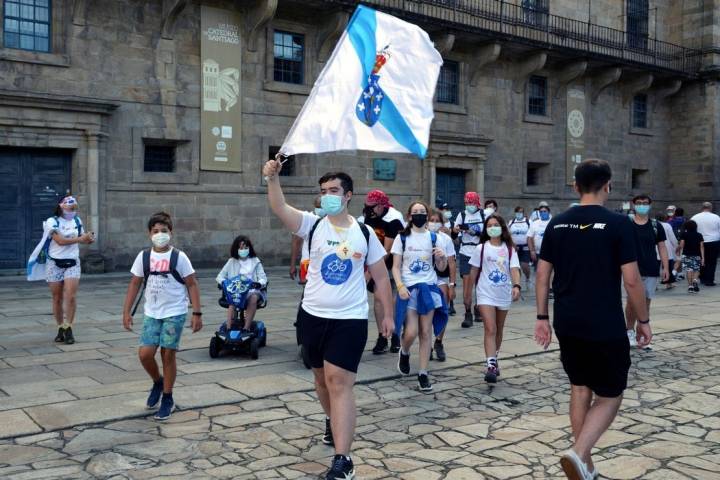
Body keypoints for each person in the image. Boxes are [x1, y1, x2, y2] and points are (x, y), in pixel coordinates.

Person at [263, 160, 394, 480]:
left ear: (348, 195)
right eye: (323, 192)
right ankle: (331, 419)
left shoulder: (365, 233)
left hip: (349, 318)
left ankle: (343, 459)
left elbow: (380, 275)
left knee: (339, 381)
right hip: (312, 316)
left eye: (333, 191)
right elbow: (279, 207)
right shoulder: (313, 224)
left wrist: (387, 314)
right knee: (321, 380)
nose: (327, 196)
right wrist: (272, 178)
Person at [534, 159, 650, 480]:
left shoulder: (556, 224)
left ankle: (585, 466)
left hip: (567, 321)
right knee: (611, 394)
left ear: (575, 186)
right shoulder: (619, 224)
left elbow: (542, 275)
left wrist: (542, 316)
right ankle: (578, 452)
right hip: (604, 322)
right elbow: (632, 280)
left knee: (580, 386)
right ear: (608, 186)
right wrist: (643, 319)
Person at [122, 212, 203, 421]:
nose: (160, 235)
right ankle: (158, 381)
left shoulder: (179, 257)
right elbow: (134, 283)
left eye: (164, 231)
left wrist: (196, 312)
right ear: (149, 234)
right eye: (156, 231)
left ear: (171, 233)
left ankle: (168, 397)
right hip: (152, 313)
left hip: (175, 312)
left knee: (168, 353)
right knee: (145, 354)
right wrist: (126, 312)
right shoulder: (144, 257)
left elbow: (192, 283)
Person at [392, 201, 448, 392]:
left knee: (426, 332)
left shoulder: (434, 238)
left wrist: (442, 258)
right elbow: (395, 266)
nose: (419, 215)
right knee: (411, 332)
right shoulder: (402, 238)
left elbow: (441, 268)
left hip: (429, 288)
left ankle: (423, 373)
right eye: (415, 212)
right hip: (409, 289)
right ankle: (405, 351)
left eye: (422, 212)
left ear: (427, 215)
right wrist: (399, 285)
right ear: (409, 216)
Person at [468, 214, 521, 383]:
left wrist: (516, 286)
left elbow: (514, 269)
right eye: (489, 225)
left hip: (503, 293)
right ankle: (490, 365)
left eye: (495, 224)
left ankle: (494, 357)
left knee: (498, 329)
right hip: (485, 293)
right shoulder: (481, 248)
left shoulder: (509, 248)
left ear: (502, 227)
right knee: (490, 328)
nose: (492, 228)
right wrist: (468, 294)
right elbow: (473, 271)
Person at [358, 189, 405, 355]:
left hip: (391, 264)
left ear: (382, 205)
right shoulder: (368, 217)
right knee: (378, 299)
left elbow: (387, 250)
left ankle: (396, 335)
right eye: (367, 206)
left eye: (373, 206)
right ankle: (382, 336)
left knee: (391, 300)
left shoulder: (393, 220)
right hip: (373, 262)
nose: (369, 210)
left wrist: (369, 272)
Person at [43, 196, 95, 344]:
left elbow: (82, 238)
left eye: (74, 208)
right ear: (61, 206)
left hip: (72, 261)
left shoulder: (77, 221)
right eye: (70, 208)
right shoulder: (51, 221)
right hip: (54, 262)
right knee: (57, 297)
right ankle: (60, 327)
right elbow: (59, 241)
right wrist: (80, 239)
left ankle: (69, 327)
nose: (72, 211)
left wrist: (89, 239)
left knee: (71, 296)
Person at [625, 195, 668, 348]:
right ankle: (629, 330)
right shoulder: (627, 223)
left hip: (650, 267)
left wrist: (666, 267)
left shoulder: (656, 225)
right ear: (633, 205)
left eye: (645, 203)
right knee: (632, 302)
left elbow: (662, 247)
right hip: (631, 268)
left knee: (646, 302)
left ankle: (641, 332)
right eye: (638, 203)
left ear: (650, 205)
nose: (642, 205)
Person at [215, 235, 268, 331]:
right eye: (241, 248)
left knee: (253, 298)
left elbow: (263, 278)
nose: (243, 250)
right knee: (234, 298)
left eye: (245, 248)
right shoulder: (231, 261)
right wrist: (224, 283)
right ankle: (228, 328)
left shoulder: (255, 261)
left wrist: (258, 284)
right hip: (236, 290)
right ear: (236, 249)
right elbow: (220, 276)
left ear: (249, 248)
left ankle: (246, 328)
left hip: (252, 290)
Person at [427, 210, 456, 361]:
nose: (433, 223)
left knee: (442, 308)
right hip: (425, 276)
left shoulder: (446, 239)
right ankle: (427, 345)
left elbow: (451, 262)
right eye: (431, 220)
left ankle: (439, 341)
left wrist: (452, 284)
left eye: (436, 220)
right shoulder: (421, 236)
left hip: (441, 277)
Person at [453, 192, 486, 327]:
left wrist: (476, 232)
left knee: (481, 283)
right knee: (467, 285)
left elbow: (489, 233)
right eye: (467, 203)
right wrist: (455, 230)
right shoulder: (462, 215)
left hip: (480, 251)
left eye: (471, 203)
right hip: (466, 252)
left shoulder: (484, 215)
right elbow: (454, 233)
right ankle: (468, 314)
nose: (469, 205)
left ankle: (478, 308)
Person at [290, 196, 324, 284]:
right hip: (308, 262)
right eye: (318, 207)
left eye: (322, 207)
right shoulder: (308, 219)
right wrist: (293, 265)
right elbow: (296, 242)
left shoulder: (332, 220)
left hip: (324, 262)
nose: (320, 209)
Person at [691, 202, 720, 286]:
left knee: (701, 260)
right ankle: (710, 280)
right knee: (712, 262)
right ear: (711, 208)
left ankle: (702, 278)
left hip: (699, 242)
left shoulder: (695, 217)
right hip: (713, 241)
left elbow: (691, 229)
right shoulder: (716, 217)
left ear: (702, 207)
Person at [508, 206, 532, 288]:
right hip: (515, 248)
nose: (519, 214)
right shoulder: (512, 222)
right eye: (518, 212)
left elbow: (531, 235)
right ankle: (517, 282)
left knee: (524, 265)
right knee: (516, 266)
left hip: (525, 247)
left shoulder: (528, 222)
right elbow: (508, 234)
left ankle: (528, 277)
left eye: (521, 212)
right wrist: (512, 244)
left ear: (523, 213)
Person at [678, 220, 705, 293]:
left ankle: (690, 287)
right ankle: (695, 280)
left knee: (689, 270)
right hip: (697, 255)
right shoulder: (699, 235)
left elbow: (682, 245)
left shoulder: (684, 234)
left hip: (687, 255)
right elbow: (701, 246)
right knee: (696, 269)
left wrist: (678, 249)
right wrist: (703, 258)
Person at [656, 214, 678, 289]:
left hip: (655, 247)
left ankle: (654, 285)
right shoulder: (667, 225)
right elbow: (672, 237)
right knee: (668, 266)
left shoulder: (653, 224)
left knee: (655, 267)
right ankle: (668, 283)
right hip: (666, 247)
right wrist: (676, 245)